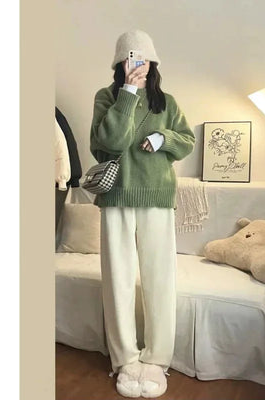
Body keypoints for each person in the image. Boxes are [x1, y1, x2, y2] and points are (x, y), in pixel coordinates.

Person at [89, 29, 195, 398]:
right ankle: (125, 360)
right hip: (116, 196)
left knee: (159, 279)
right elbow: (109, 143)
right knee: (117, 279)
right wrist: (128, 94)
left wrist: (164, 138)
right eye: (131, 59)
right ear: (120, 64)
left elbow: (187, 141)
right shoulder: (107, 97)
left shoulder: (168, 102)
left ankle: (157, 359)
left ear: (153, 63)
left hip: (157, 196)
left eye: (144, 59)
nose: (138, 65)